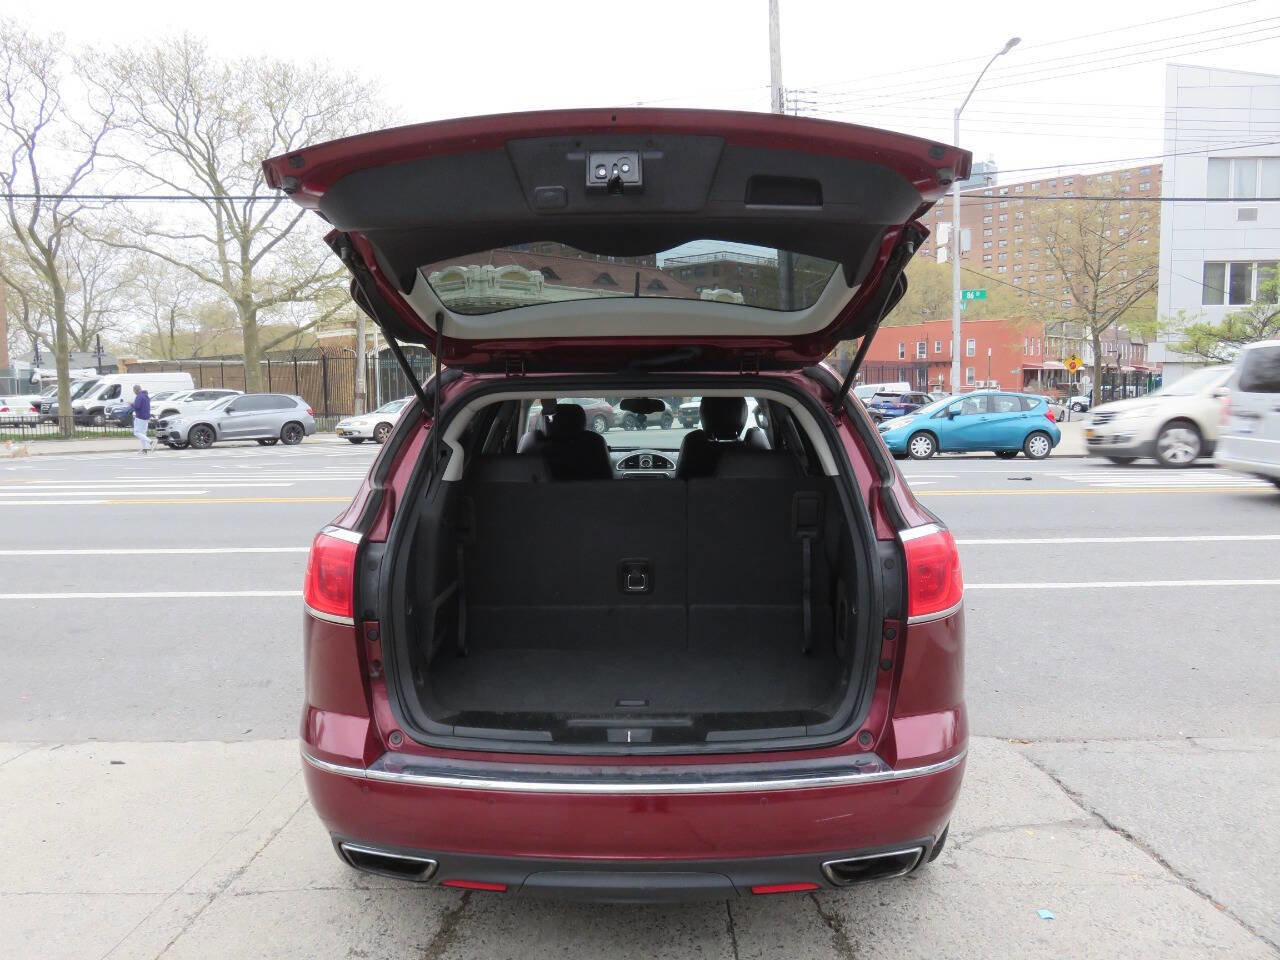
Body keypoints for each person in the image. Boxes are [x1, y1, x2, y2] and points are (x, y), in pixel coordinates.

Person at [130, 384, 153, 454]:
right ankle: (144, 449)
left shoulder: (139, 396)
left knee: (136, 432)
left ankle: (151, 441)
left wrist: (131, 404)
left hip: (140, 416)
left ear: (136, 390)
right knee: (143, 433)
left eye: (134, 391)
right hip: (146, 416)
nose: (134, 392)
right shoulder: (146, 396)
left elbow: (137, 407)